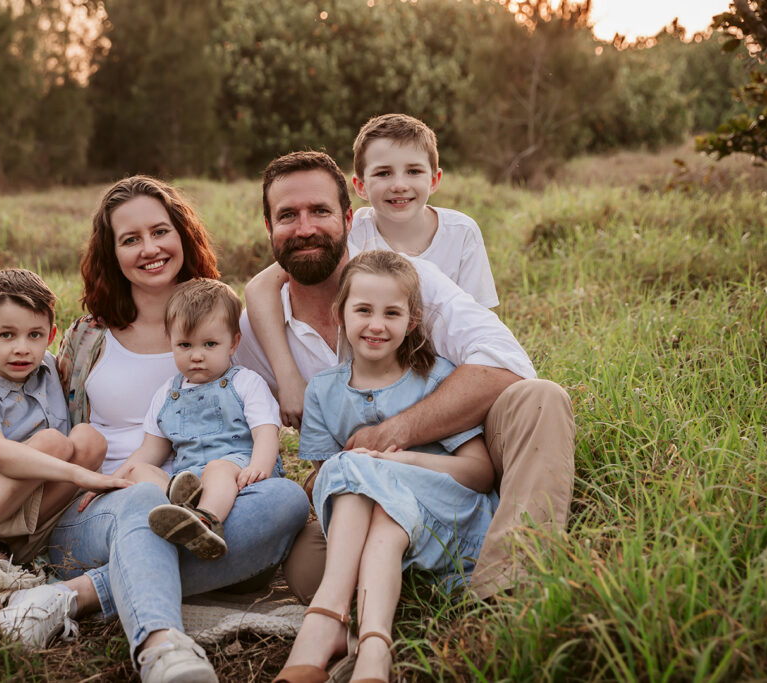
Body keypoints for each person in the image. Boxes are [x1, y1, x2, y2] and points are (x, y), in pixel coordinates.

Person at [0, 177, 310, 683]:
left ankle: (73, 596)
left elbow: (265, 415)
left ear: (183, 234)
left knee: (287, 500)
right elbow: (44, 429)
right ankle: (162, 647)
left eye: (160, 231)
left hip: (210, 503)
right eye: (130, 239)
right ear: (112, 253)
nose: (149, 248)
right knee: (141, 500)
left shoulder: (225, 321)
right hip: (97, 507)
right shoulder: (89, 337)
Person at [233, 151, 575, 607]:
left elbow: (506, 362)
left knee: (539, 399)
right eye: (287, 216)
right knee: (306, 573)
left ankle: (508, 588)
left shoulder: (406, 281)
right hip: (367, 499)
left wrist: (395, 433)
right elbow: (231, 418)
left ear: (349, 218)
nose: (305, 228)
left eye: (320, 211)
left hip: (450, 468)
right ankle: (410, 582)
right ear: (268, 227)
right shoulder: (256, 327)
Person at [275, 250, 498, 683]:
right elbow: (323, 480)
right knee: (366, 493)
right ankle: (374, 649)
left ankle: (325, 621)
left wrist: (396, 458)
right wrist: (364, 471)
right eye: (363, 310)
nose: (376, 325)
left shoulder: (436, 380)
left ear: (412, 321)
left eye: (391, 313)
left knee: (356, 467)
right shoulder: (323, 390)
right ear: (340, 313)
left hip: (446, 518)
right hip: (384, 527)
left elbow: (479, 473)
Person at [244, 113, 498, 429]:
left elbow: (479, 321)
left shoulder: (459, 233)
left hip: (445, 376)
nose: (399, 185)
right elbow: (263, 285)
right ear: (361, 186)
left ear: (434, 178)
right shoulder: (358, 231)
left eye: (413, 171)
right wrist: (288, 377)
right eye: (384, 173)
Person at [0, 268, 126, 562]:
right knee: (54, 442)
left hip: (36, 515)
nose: (22, 349)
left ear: (51, 335)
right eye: (6, 335)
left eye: (34, 335)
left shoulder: (50, 367)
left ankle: (8, 551)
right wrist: (78, 474)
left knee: (90, 439)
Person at [98, 277, 283, 561]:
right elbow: (150, 451)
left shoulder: (245, 382)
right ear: (170, 341)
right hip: (187, 481)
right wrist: (112, 480)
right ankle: (181, 509)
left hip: (238, 468)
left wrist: (260, 466)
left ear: (233, 343)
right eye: (185, 345)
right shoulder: (166, 394)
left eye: (210, 344)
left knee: (218, 468)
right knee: (139, 472)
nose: (196, 356)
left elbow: (266, 431)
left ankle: (205, 523)